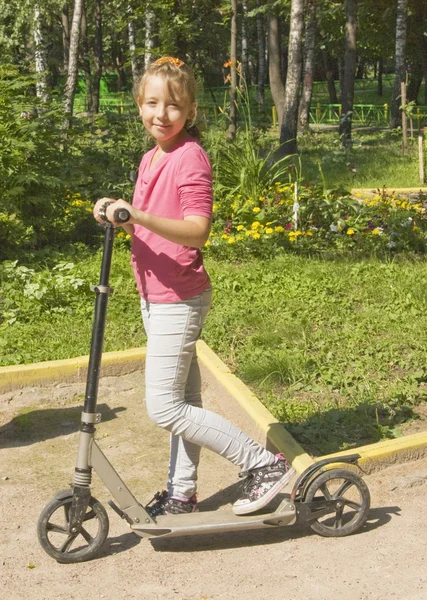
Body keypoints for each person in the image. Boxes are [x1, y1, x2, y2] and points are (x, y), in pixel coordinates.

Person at [93, 56, 295, 517]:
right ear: (139, 105)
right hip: (154, 295)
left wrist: (137, 214)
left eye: (172, 105)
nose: (160, 114)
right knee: (184, 400)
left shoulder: (189, 157)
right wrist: (116, 214)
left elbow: (196, 229)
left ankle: (262, 463)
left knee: (164, 407)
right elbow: (145, 229)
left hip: (178, 297)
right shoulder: (151, 157)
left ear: (190, 112)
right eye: (151, 103)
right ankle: (181, 492)